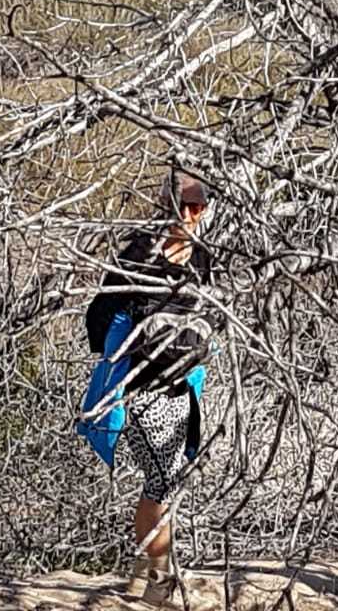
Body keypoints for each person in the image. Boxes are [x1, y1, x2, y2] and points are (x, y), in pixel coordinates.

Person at [82, 171, 218, 605]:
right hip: (140, 386)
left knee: (167, 477)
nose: (192, 215)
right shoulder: (140, 253)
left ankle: (144, 576)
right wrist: (125, 357)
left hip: (182, 385)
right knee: (163, 478)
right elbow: (100, 314)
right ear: (167, 205)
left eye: (199, 206)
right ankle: (160, 578)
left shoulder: (203, 259)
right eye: (185, 205)